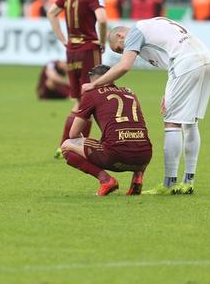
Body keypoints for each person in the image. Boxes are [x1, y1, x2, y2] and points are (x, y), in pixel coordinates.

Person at [83, 17, 210, 195]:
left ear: (121, 35)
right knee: (191, 122)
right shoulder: (154, 24)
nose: (124, 51)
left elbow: (124, 66)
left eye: (120, 48)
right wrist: (169, 92)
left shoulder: (135, 32)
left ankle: (169, 184)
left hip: (185, 64)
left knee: (172, 123)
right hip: (205, 60)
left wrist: (94, 84)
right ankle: (188, 181)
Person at [47, 0, 108, 155]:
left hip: (71, 50)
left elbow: (51, 12)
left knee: (78, 101)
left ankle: (64, 145)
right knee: (90, 97)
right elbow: (102, 19)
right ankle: (78, 145)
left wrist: (63, 39)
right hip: (88, 49)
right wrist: (103, 40)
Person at [61, 65, 152, 196]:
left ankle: (106, 180)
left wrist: (84, 143)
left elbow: (73, 134)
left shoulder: (92, 94)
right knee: (137, 139)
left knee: (66, 146)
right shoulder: (130, 92)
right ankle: (137, 180)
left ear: (93, 81)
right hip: (144, 157)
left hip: (116, 155)